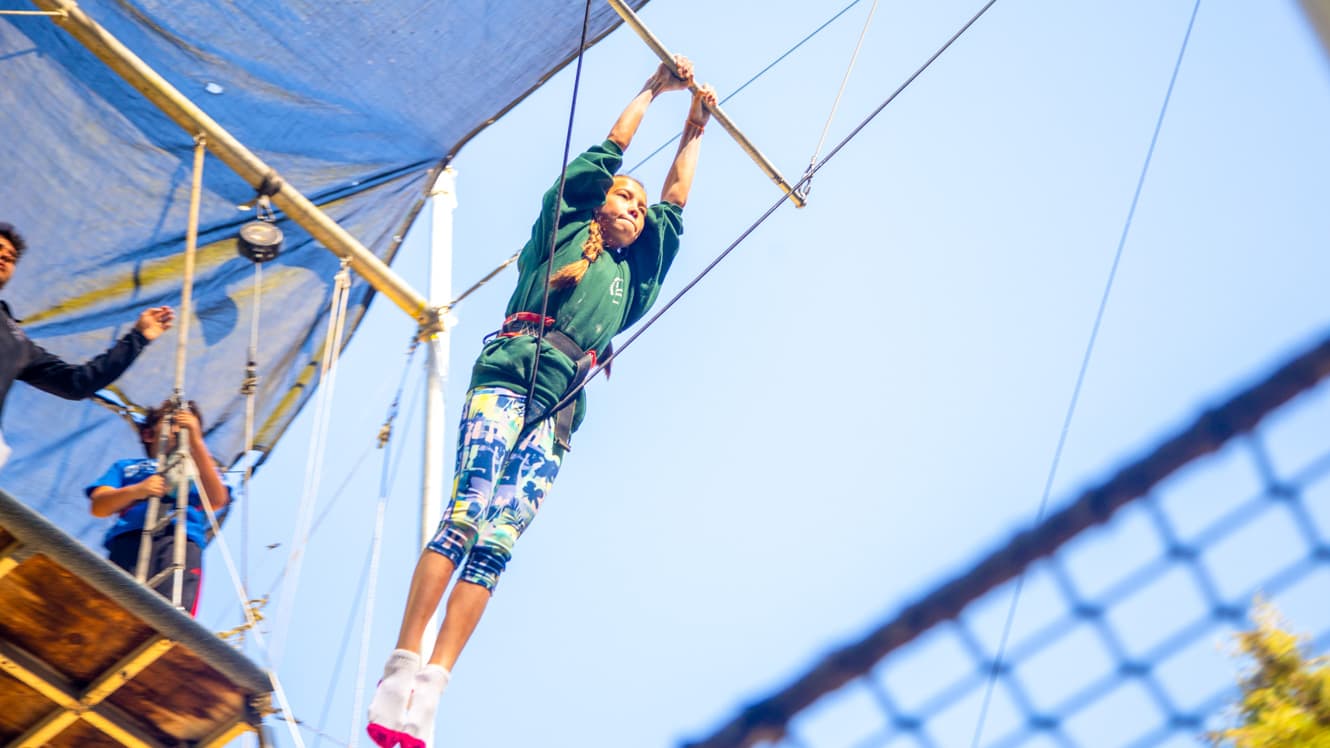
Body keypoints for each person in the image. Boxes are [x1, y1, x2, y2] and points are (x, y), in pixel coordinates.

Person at [366, 58, 716, 748]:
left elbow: (676, 204)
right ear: (599, 203)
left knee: (497, 543)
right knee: (469, 509)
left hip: (559, 414)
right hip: (510, 374)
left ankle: (433, 684)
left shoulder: (629, 280)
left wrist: (696, 126)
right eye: (625, 198)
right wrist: (652, 91)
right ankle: (402, 664)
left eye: (639, 208)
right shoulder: (559, 227)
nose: (637, 209)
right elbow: (603, 155)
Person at [0, 222, 174, 466]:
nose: (4, 259)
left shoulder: (16, 340)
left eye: (11, 257)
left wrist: (139, 337)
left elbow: (77, 383)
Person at [86, 400, 231, 615]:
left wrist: (197, 442)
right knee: (118, 603)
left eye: (191, 424)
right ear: (149, 435)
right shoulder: (129, 467)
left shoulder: (197, 471)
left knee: (173, 607)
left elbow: (217, 499)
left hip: (181, 540)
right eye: (173, 421)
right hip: (130, 538)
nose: (182, 427)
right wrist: (138, 490)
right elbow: (99, 506)